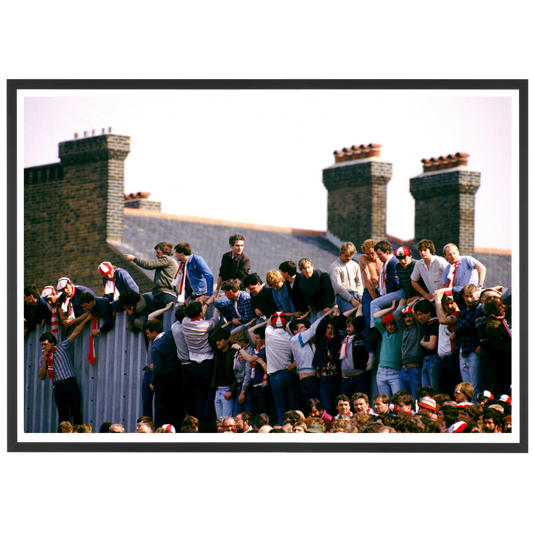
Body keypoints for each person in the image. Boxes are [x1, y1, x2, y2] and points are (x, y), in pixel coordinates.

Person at [38, 313, 92, 428]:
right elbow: (42, 376)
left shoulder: (62, 347)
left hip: (69, 382)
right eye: (42, 345)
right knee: (62, 416)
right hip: (58, 386)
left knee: (76, 412)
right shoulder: (44, 357)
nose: (43, 347)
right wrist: (45, 361)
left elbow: (76, 332)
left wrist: (87, 319)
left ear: (52, 343)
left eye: (45, 344)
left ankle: (79, 436)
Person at [181, 294, 220, 429]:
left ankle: (198, 421)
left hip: (194, 363)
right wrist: (215, 307)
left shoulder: (185, 322)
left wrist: (205, 303)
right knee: (210, 391)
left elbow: (198, 314)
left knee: (200, 393)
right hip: (207, 361)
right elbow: (215, 319)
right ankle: (206, 421)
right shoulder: (205, 325)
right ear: (200, 313)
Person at [288, 308, 335, 407]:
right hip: (307, 378)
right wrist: (327, 315)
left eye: (305, 326)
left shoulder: (307, 341)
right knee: (314, 405)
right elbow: (313, 329)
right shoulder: (295, 339)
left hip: (312, 377)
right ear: (295, 331)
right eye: (301, 327)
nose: (305, 329)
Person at [144, 319, 185, 432]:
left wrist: (152, 383)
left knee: (162, 408)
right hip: (178, 375)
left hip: (165, 379)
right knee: (177, 405)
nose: (147, 336)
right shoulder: (169, 336)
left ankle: (163, 431)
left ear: (154, 332)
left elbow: (157, 368)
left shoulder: (156, 346)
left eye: (148, 333)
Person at [449, 284, 484, 402]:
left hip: (473, 349)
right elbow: (455, 290)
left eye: (471, 296)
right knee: (466, 386)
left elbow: (465, 325)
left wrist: (454, 334)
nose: (469, 299)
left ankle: (475, 409)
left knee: (475, 386)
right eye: (466, 296)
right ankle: (467, 408)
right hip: (463, 350)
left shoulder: (476, 308)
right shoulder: (464, 307)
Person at [123, 241, 179, 313]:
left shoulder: (166, 259)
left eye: (158, 252)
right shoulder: (170, 261)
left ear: (165, 251)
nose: (156, 254)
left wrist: (134, 259)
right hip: (167, 294)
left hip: (164, 295)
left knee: (153, 319)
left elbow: (149, 265)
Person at [366, 240, 403, 341]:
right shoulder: (386, 264)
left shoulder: (393, 263)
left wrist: (386, 298)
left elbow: (395, 283)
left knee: (374, 304)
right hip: (395, 291)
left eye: (379, 254)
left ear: (387, 252)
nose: (378, 257)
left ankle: (376, 330)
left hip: (400, 292)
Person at [265, 311, 298, 424]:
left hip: (275, 375)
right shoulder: (290, 337)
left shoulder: (268, 333)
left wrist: (273, 316)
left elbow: (269, 321)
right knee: (293, 408)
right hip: (288, 373)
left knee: (281, 411)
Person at [393, 298, 425, 405]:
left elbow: (416, 317)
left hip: (415, 369)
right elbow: (397, 314)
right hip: (404, 370)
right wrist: (409, 304)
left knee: (415, 400)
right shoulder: (404, 329)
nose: (408, 319)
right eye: (405, 317)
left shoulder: (418, 327)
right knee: (404, 400)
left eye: (410, 316)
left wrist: (413, 307)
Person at [483, 294, 515, 398]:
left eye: (502, 304)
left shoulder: (508, 312)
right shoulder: (491, 325)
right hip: (504, 362)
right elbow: (500, 347)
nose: (503, 306)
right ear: (492, 309)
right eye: (500, 305)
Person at [338, 305, 373, 399]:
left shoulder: (360, 336)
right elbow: (341, 318)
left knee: (360, 405)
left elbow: (360, 321)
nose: (347, 329)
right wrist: (355, 308)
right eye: (346, 327)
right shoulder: (344, 337)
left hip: (359, 378)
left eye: (349, 326)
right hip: (345, 379)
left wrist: (360, 308)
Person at [215, 233, 251, 322]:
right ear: (231, 245)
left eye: (242, 245)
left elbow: (239, 279)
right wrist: (216, 291)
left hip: (237, 292)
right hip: (227, 291)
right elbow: (221, 274)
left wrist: (227, 292)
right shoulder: (225, 256)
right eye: (237, 245)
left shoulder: (245, 260)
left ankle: (231, 321)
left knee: (219, 302)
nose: (240, 248)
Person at [433, 288, 462, 398]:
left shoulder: (457, 314)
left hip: (452, 358)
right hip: (442, 359)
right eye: (446, 304)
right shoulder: (443, 314)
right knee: (444, 391)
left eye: (451, 303)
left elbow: (442, 320)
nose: (449, 306)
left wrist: (437, 301)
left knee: (452, 390)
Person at [171, 305, 197, 419]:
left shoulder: (174, 327)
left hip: (184, 366)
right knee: (196, 394)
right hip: (193, 364)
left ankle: (191, 418)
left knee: (186, 396)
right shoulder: (189, 329)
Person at [358, 239, 383, 356]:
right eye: (368, 253)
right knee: (368, 319)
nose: (370, 256)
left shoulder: (382, 259)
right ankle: (370, 354)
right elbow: (367, 281)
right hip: (369, 292)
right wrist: (375, 300)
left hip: (382, 291)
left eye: (372, 253)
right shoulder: (363, 259)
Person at [373, 300, 403, 398]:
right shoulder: (384, 333)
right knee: (384, 402)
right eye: (387, 325)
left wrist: (399, 306)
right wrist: (391, 308)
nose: (389, 327)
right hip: (381, 371)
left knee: (398, 399)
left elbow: (398, 317)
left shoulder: (400, 333)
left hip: (395, 372)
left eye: (391, 324)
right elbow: (376, 316)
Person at [209, 327, 238, 419]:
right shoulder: (217, 351)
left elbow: (238, 375)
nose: (217, 343)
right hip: (218, 390)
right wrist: (222, 328)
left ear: (226, 340)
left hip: (227, 390)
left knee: (227, 421)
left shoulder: (233, 352)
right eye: (216, 340)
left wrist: (231, 391)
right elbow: (210, 337)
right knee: (220, 423)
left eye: (220, 340)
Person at [413, 298, 440, 394]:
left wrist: (422, 343)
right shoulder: (427, 324)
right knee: (425, 392)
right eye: (418, 314)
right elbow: (413, 311)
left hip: (433, 358)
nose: (419, 317)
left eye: (421, 314)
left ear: (429, 312)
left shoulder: (434, 323)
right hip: (426, 359)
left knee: (433, 390)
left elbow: (431, 345)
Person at [328, 241, 364, 314]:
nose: (349, 258)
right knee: (354, 315)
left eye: (351, 255)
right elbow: (337, 287)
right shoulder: (335, 267)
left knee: (363, 315)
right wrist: (351, 299)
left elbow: (359, 283)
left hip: (356, 294)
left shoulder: (355, 265)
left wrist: (360, 295)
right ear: (341, 253)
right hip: (342, 297)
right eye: (346, 255)